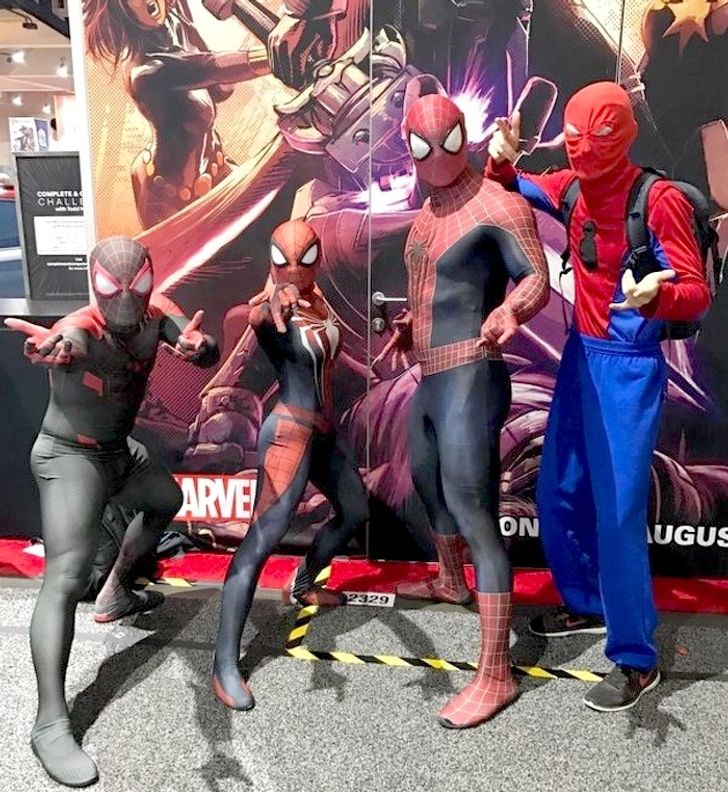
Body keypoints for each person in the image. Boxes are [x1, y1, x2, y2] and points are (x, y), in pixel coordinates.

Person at [486, 81, 711, 711]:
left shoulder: (658, 200)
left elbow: (696, 293)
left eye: (597, 136)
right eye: (574, 135)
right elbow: (512, 186)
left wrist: (657, 297)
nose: (582, 148)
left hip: (628, 366)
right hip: (582, 359)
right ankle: (586, 600)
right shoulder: (574, 187)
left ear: (625, 136)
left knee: (617, 512)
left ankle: (636, 659)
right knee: (559, 488)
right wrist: (502, 157)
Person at [5, 236, 219, 788]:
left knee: (166, 501)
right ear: (95, 287)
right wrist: (52, 351)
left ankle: (117, 591)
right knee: (65, 576)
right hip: (70, 457)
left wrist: (200, 347)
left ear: (148, 282)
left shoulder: (158, 314)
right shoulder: (80, 329)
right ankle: (49, 722)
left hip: (120, 453)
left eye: (136, 287)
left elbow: (196, 344)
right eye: (112, 289)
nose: (126, 299)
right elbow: (66, 344)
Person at [382, 84, 550, 728]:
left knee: (476, 512)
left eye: (444, 141)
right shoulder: (426, 214)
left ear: (463, 135)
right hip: (430, 376)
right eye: (422, 147)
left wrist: (512, 310)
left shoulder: (498, 204)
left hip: (472, 373)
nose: (435, 156)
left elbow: (534, 276)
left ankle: (497, 672)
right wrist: (407, 328)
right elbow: (433, 290)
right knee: (429, 485)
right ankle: (452, 582)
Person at [212, 218, 368, 711]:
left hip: (322, 433)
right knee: (261, 540)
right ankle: (223, 663)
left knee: (355, 510)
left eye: (306, 257)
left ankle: (304, 584)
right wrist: (274, 300)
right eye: (285, 259)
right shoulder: (272, 308)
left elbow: (327, 357)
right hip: (289, 434)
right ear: (273, 260)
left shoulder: (319, 300)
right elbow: (263, 315)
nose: (296, 269)